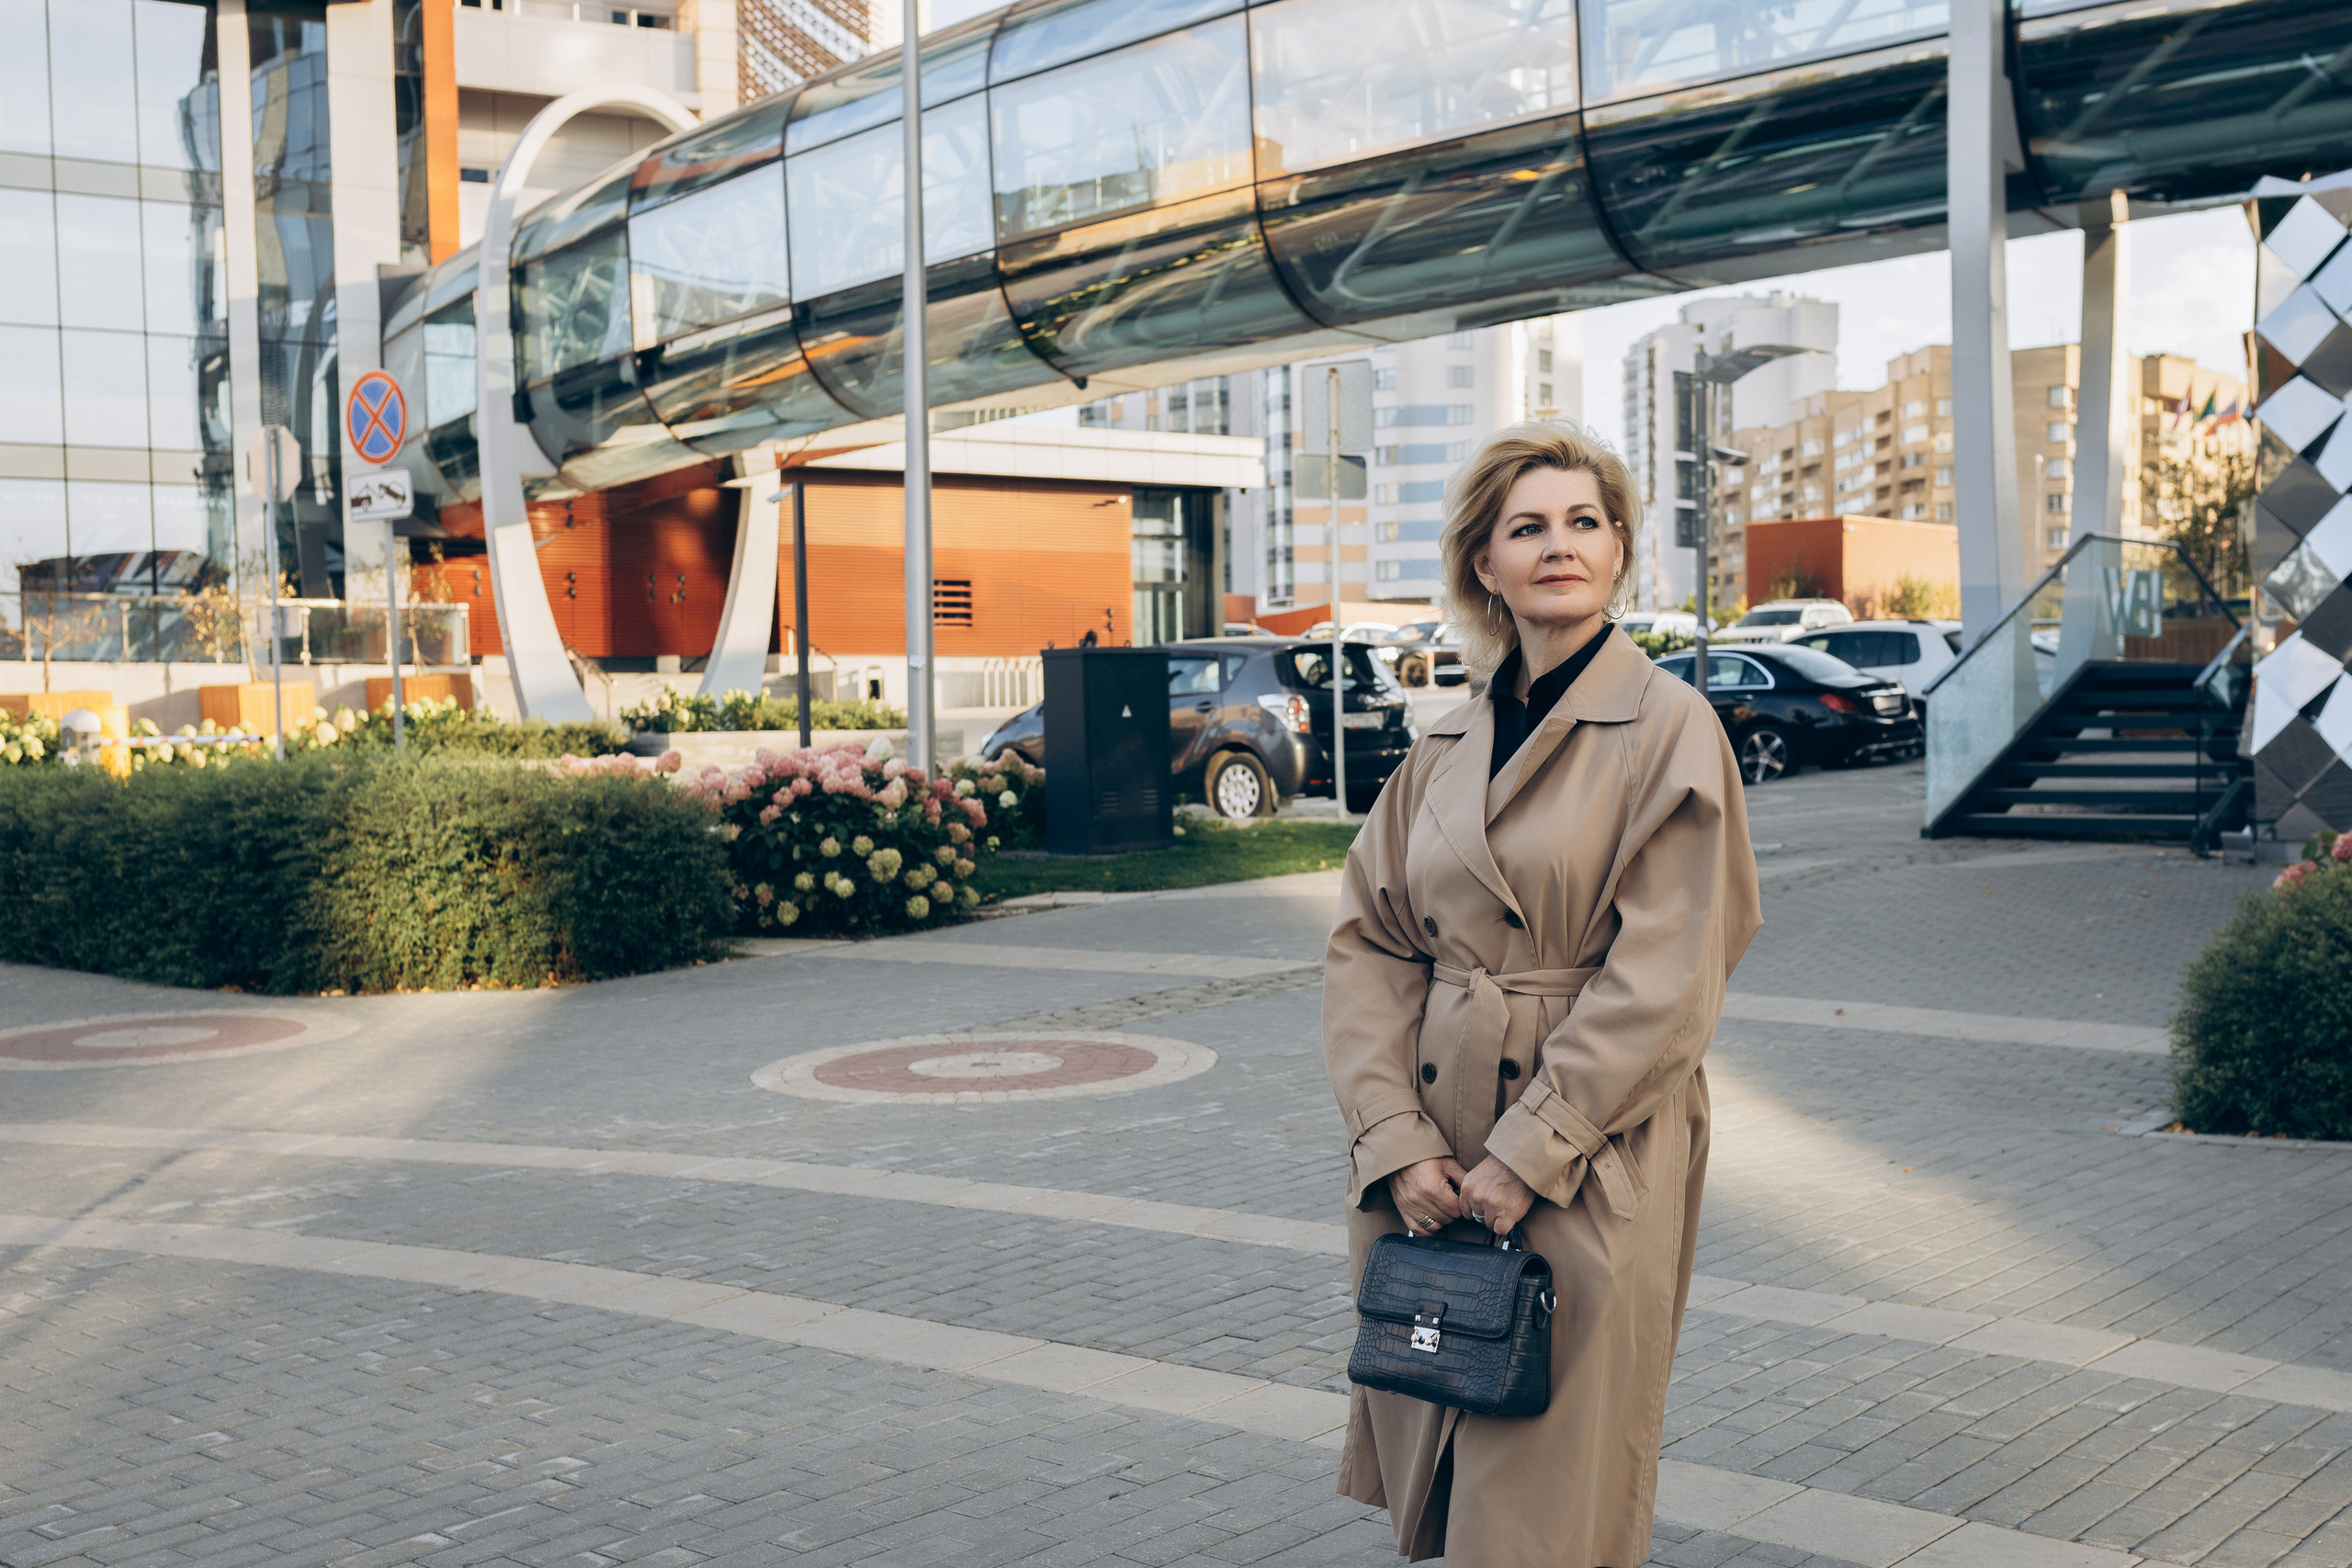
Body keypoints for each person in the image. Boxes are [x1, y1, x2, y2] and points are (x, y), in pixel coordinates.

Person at [1323, 422, 1762, 1566]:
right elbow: (1370, 943)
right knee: (1452, 1450)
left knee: (1548, 1496)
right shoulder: (1444, 742)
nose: (1557, 546)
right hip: (1432, 1144)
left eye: (1583, 522)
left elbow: (1668, 976)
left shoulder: (1670, 730)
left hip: (1586, 1147)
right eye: (1527, 527)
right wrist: (1392, 1136)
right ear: (1485, 562)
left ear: (1618, 550)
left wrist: (1531, 1151)